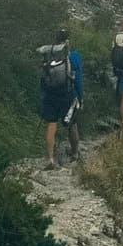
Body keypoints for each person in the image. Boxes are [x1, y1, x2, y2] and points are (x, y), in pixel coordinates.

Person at [38, 33, 83, 164]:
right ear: (68, 41)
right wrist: (80, 96)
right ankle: (75, 154)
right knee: (72, 124)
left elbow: (43, 78)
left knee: (52, 125)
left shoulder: (48, 54)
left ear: (56, 40)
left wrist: (43, 95)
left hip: (50, 96)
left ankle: (51, 158)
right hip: (67, 96)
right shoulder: (73, 56)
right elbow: (78, 79)